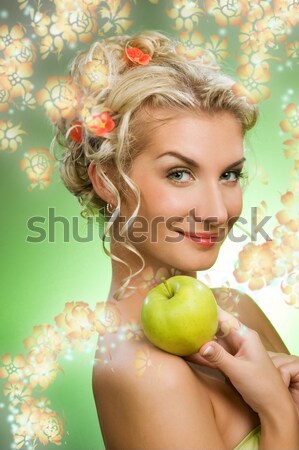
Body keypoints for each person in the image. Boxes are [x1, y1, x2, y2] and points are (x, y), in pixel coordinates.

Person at [53, 30, 299, 450]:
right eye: (179, 173)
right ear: (108, 181)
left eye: (229, 174)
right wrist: (277, 409)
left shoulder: (239, 313)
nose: (217, 212)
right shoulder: (142, 371)